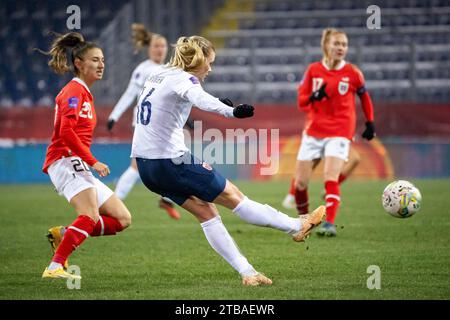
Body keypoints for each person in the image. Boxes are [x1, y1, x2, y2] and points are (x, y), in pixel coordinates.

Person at [131, 35, 326, 286]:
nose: (210, 69)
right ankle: (296, 225)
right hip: (170, 161)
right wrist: (231, 111)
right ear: (198, 60)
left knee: (206, 212)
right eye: (209, 63)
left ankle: (248, 273)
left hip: (147, 167)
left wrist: (215, 102)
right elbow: (197, 96)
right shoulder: (185, 79)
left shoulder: (159, 74)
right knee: (234, 197)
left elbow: (173, 102)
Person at [38, 32, 132, 279]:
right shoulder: (74, 91)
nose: (101, 64)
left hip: (75, 162)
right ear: (79, 63)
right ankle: (55, 266)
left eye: (102, 60)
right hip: (64, 161)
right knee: (89, 216)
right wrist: (93, 161)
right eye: (94, 60)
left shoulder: (84, 93)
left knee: (122, 219)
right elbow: (65, 131)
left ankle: (66, 233)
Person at [292, 28, 375, 237]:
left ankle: (329, 223)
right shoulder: (313, 70)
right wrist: (313, 97)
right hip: (314, 130)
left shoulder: (353, 73)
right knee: (300, 183)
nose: (341, 48)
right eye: (337, 44)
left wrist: (370, 122)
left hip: (340, 129)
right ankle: (305, 222)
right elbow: (301, 103)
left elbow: (365, 98)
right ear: (326, 46)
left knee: (331, 176)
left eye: (344, 44)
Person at [106, 24, 180, 220]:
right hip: (145, 124)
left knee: (168, 160)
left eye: (163, 46)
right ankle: (115, 201)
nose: (160, 49)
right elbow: (130, 93)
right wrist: (114, 115)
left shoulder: (169, 70)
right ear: (149, 48)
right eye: (156, 46)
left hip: (163, 124)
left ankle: (166, 198)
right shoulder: (144, 69)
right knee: (139, 166)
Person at [282, 146, 360, 209]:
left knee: (354, 159)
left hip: (338, 135)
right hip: (323, 134)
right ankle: (290, 198)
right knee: (309, 166)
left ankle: (329, 192)